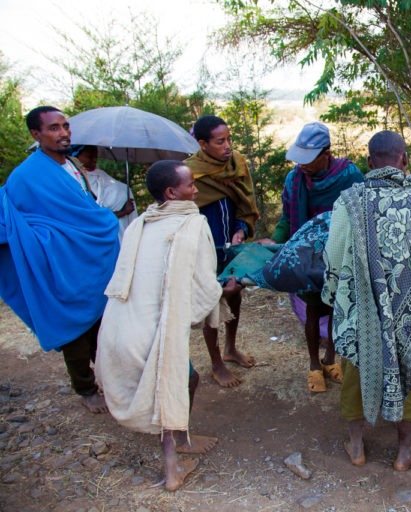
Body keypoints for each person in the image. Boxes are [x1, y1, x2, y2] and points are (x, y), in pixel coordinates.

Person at [96, 160, 239, 491]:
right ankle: (174, 467)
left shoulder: (138, 224)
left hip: (119, 325)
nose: (196, 189)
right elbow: (202, 285)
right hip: (152, 330)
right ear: (172, 192)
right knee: (170, 384)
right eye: (190, 185)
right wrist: (225, 290)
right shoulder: (193, 225)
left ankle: (181, 436)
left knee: (182, 379)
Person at [322, 130, 411, 471]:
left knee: (355, 368)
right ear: (405, 160)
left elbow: (334, 256)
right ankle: (404, 452)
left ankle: (356, 445)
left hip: (361, 308)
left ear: (368, 163)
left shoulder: (349, 200)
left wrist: (334, 296)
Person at [0, 106, 119, 414]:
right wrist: (55, 239)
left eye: (65, 126)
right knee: (74, 329)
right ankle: (85, 387)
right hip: (58, 262)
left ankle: (111, 377)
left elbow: (85, 209)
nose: (64, 133)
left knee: (104, 322)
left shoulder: (75, 165)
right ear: (36, 135)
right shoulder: (25, 176)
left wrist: (100, 221)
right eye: (54, 128)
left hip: (88, 260)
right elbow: (16, 224)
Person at [258, 122, 364, 393]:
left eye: (309, 159)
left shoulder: (349, 176)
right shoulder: (294, 180)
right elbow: (286, 217)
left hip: (340, 253)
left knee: (337, 309)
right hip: (306, 256)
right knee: (314, 309)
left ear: (327, 153)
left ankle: (330, 359)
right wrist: (276, 239)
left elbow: (361, 213)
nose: (302, 164)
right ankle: (314, 365)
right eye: (299, 158)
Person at [186, 115, 260, 388]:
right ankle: (216, 363)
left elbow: (243, 201)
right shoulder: (189, 172)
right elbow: (186, 211)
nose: (228, 146)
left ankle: (230, 348)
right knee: (212, 304)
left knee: (235, 293)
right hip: (204, 249)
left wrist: (241, 228)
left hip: (232, 244)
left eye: (229, 139)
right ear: (203, 144)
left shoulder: (236, 164)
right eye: (220, 142)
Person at [72, 145, 137, 242]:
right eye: (89, 156)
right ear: (76, 156)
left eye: (96, 156)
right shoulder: (73, 180)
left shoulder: (106, 179)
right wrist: (122, 212)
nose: (94, 159)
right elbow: (90, 217)